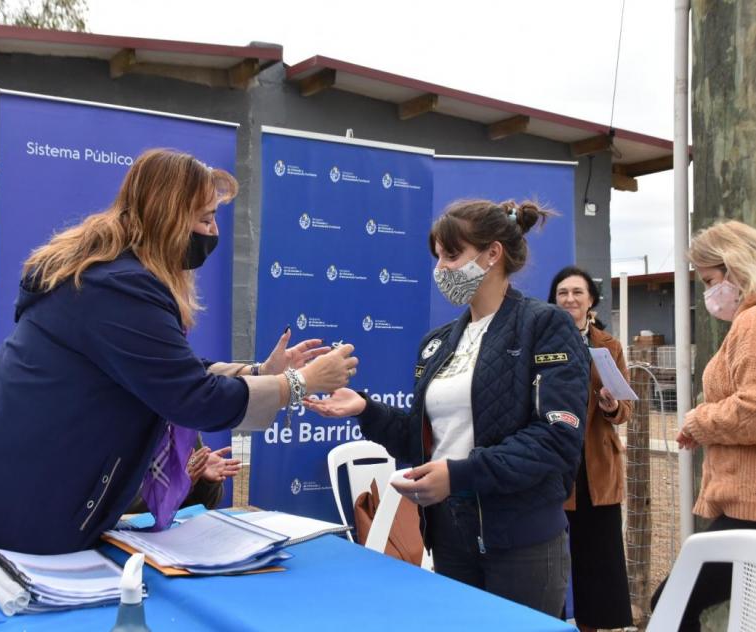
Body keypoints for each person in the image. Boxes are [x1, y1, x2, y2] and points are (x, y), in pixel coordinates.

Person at [0, 149, 358, 572]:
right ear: (168, 218)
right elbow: (189, 396)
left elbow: (166, 370)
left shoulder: (113, 278)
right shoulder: (118, 288)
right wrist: (297, 384)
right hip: (13, 491)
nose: (213, 233)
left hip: (18, 479)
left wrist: (259, 374)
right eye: (204, 219)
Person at [307, 199, 589, 617]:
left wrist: (458, 475)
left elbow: (555, 439)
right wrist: (364, 409)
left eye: (452, 255)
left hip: (522, 541)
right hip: (450, 536)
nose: (440, 268)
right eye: (437, 255)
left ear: (492, 254)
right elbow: (420, 440)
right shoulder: (437, 343)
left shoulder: (544, 325)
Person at [650, 219, 756, 631]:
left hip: (749, 505)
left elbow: (750, 409)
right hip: (744, 503)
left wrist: (697, 419)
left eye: (710, 279)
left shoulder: (750, 323)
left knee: (671, 603)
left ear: (735, 266)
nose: (709, 293)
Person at [548, 266, 633, 631]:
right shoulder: (541, 341)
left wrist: (611, 405)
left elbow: (625, 409)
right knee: (546, 561)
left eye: (577, 293)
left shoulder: (608, 346)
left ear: (591, 301)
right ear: (554, 300)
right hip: (552, 465)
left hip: (596, 467)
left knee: (600, 561)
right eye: (563, 292)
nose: (570, 299)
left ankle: (594, 626)